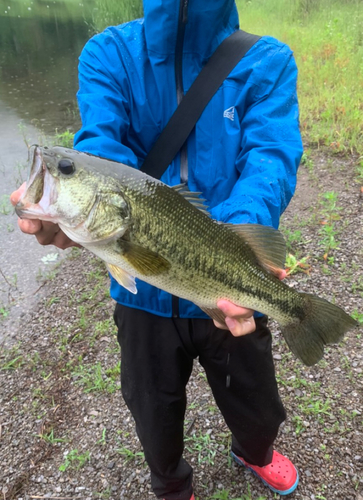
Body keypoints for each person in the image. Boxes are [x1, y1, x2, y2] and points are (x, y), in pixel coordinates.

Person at [11, 1, 304, 498]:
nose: (54, 168)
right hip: (140, 295)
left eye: (61, 171)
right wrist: (73, 209)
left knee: (256, 401)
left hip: (225, 284)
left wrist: (238, 236)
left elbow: (270, 159)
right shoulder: (108, 54)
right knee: (152, 405)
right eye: (61, 170)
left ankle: (255, 450)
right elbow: (100, 149)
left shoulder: (266, 60)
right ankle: (170, 483)